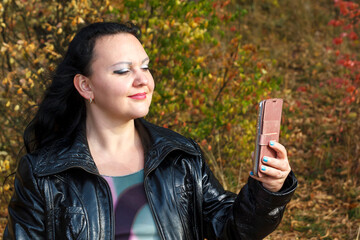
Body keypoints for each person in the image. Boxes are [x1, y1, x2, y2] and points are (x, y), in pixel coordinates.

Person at [3, 22, 297, 240]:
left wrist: (268, 189)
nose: (142, 80)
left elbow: (232, 228)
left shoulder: (180, 156)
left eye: (145, 67)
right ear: (85, 86)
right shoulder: (44, 174)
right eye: (123, 70)